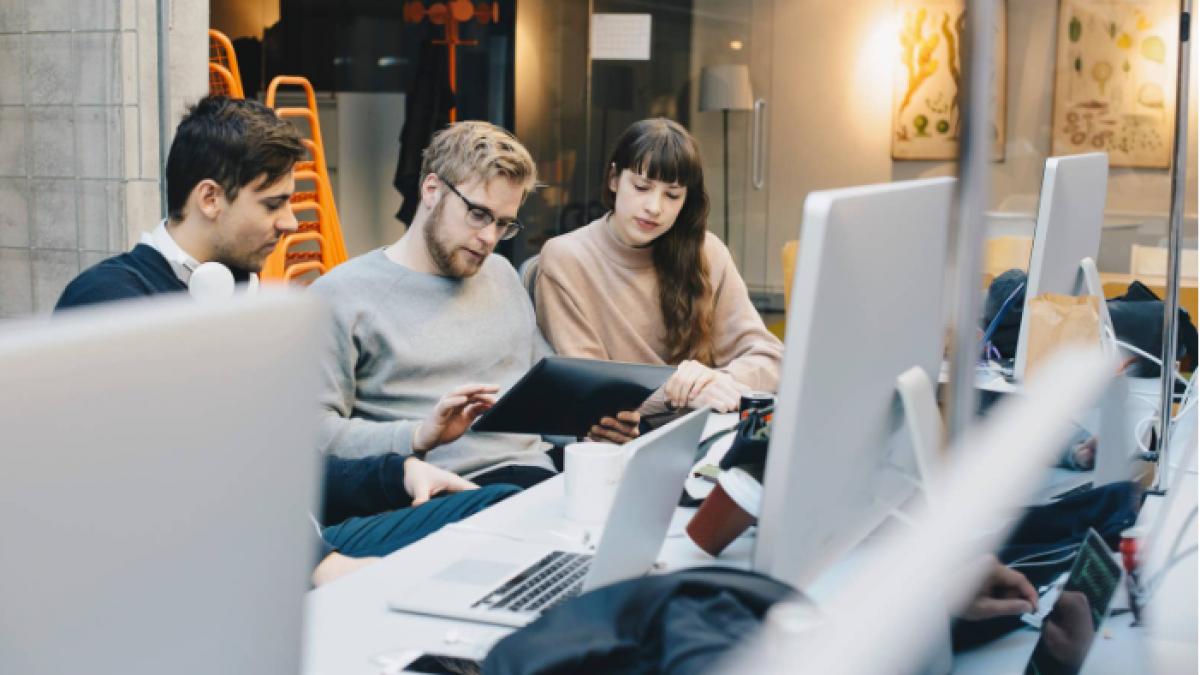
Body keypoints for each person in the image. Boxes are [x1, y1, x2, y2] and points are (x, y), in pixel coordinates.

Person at [55, 95, 519, 585]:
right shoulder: (109, 301)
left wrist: (397, 473)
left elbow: (275, 469)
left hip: (293, 542)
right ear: (210, 198)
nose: (290, 223)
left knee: (504, 506)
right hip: (219, 568)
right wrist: (317, 564)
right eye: (274, 204)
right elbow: (176, 483)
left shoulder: (234, 295)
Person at [311, 120, 640, 490]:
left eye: (504, 224)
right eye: (478, 214)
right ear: (432, 190)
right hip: (441, 491)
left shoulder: (500, 275)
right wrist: (417, 435)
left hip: (537, 477)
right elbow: (310, 435)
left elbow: (541, 396)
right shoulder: (341, 295)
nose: (489, 238)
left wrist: (587, 431)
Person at [535, 118, 783, 414]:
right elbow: (589, 386)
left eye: (672, 194)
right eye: (642, 187)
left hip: (705, 429)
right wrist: (678, 393)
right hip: (620, 441)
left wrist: (716, 382)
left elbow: (770, 357)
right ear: (614, 179)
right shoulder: (566, 258)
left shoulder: (707, 251)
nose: (655, 207)